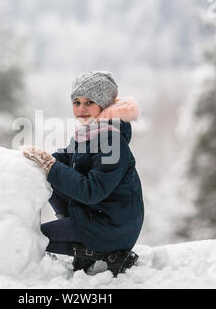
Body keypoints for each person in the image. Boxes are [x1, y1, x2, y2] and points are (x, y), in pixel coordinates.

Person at [22, 71, 144, 277]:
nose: (81, 109)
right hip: (96, 214)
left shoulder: (112, 142)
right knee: (48, 179)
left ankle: (108, 253)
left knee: (35, 237)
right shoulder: (88, 133)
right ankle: (87, 246)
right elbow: (65, 160)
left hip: (112, 226)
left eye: (89, 102)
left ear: (104, 105)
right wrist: (36, 162)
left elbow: (91, 191)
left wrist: (51, 166)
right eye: (76, 102)